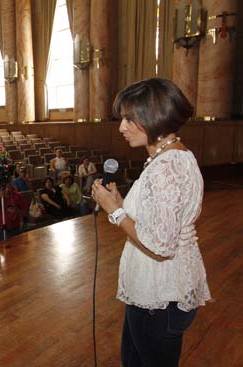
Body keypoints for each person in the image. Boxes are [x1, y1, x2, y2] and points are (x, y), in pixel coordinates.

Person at [91, 78, 210, 367]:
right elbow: (160, 223)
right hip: (164, 290)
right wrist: (120, 205)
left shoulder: (164, 169)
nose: (122, 127)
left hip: (159, 295)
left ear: (154, 116)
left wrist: (115, 212)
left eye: (130, 118)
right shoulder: (177, 156)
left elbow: (159, 245)